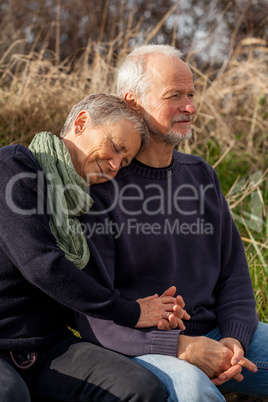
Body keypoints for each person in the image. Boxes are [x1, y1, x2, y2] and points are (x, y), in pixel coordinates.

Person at [76, 47, 268, 401]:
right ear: (132, 103)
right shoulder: (99, 186)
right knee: (195, 391)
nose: (190, 107)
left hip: (220, 336)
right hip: (145, 349)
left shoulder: (202, 175)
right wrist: (179, 346)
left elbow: (235, 274)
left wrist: (235, 338)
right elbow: (93, 317)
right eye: (174, 96)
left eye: (191, 95)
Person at [0, 92, 189, 402]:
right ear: (81, 122)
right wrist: (130, 312)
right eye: (115, 148)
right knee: (10, 393)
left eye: (125, 161)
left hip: (48, 347)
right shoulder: (13, 169)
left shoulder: (83, 205)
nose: (115, 165)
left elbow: (91, 289)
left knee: (141, 388)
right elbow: (43, 266)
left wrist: (156, 312)